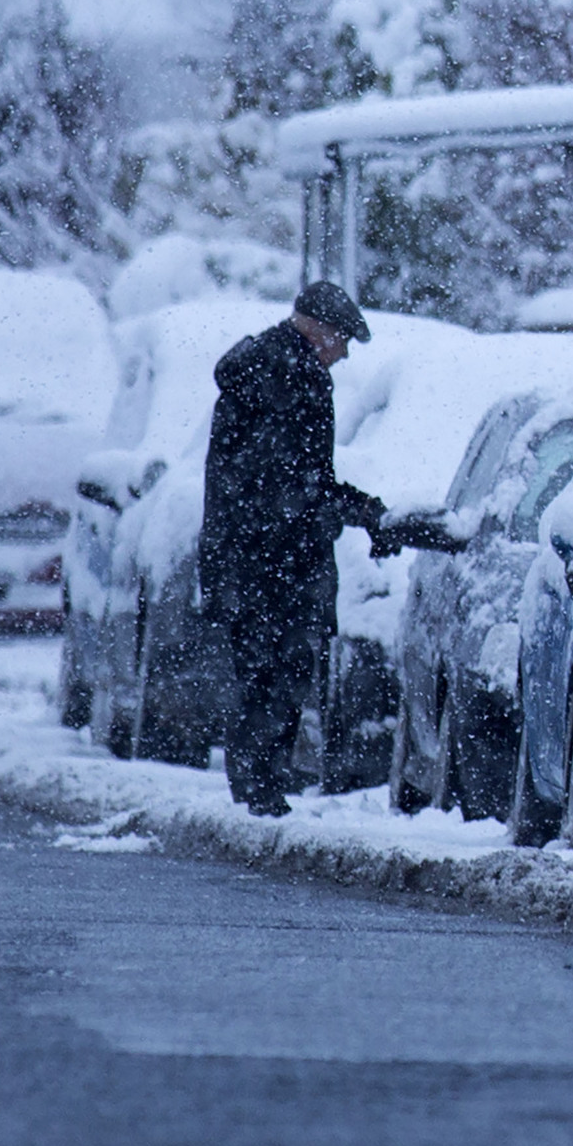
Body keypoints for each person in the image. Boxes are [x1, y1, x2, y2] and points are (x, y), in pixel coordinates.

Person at [198, 282, 384, 815]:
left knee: (262, 674)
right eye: (342, 340)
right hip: (273, 563)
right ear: (317, 330)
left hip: (253, 559)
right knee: (276, 675)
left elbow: (289, 481)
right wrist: (361, 511)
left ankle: (258, 786)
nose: (344, 353)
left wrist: (354, 509)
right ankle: (259, 791)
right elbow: (293, 485)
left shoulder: (268, 370)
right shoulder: (289, 378)